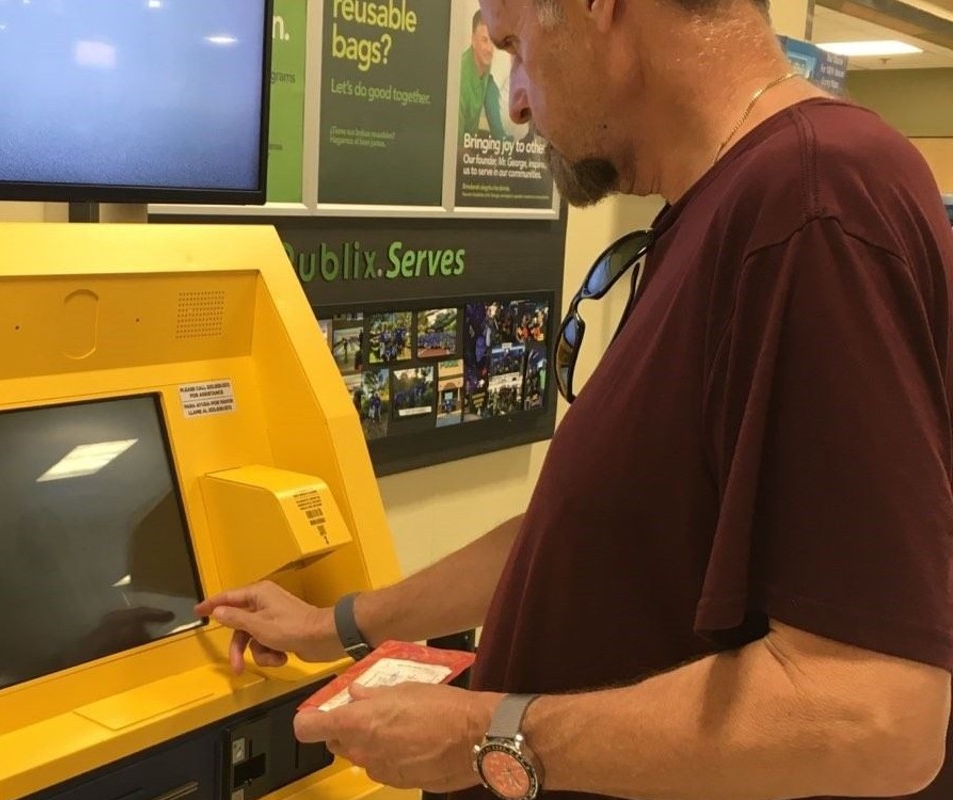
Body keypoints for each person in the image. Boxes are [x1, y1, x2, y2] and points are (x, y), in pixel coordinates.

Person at [197, 0, 953, 796]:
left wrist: (483, 739)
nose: (515, 101)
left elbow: (875, 715)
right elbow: (590, 529)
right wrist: (340, 622)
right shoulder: (718, 205)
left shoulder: (812, 199)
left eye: (517, 45)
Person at [458, 11, 510, 141]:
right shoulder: (461, 79)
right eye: (484, 40)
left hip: (472, 139)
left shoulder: (486, 64)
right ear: (473, 41)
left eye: (492, 41)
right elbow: (455, 143)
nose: (489, 48)